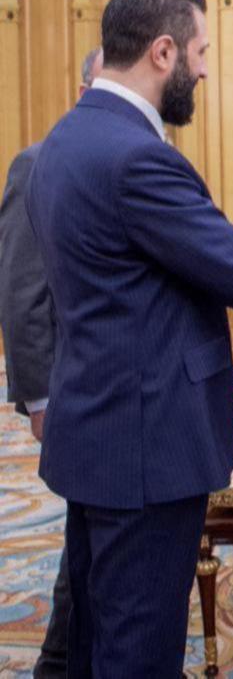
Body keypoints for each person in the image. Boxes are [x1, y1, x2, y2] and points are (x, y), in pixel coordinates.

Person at [25, 0, 233, 677]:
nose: (205, 68)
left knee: (91, 628)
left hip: (97, 432)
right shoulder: (138, 158)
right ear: (165, 51)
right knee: (138, 645)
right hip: (146, 445)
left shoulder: (62, 140)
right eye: (202, 51)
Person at [0, 46, 100, 677]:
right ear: (87, 84)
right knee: (86, 537)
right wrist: (38, 398)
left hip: (115, 390)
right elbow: (20, 289)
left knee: (92, 538)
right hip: (70, 391)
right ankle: (60, 661)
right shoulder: (36, 165)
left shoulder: (144, 159)